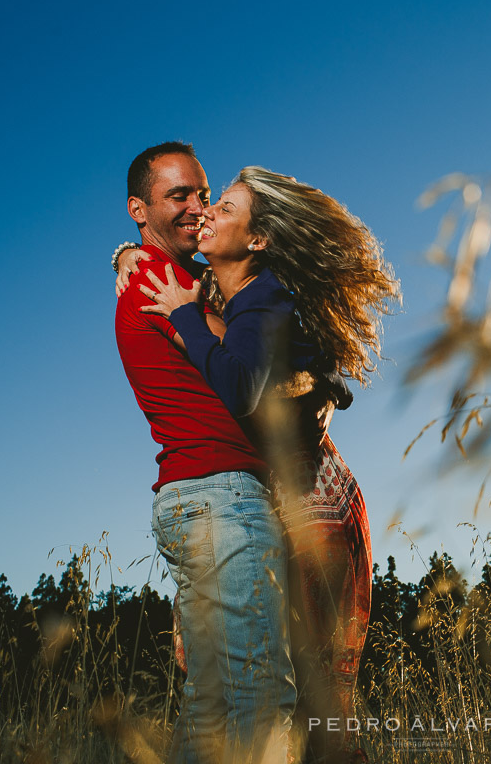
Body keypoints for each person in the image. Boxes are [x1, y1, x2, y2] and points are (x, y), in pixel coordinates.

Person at [129, 166, 398, 763]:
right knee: (242, 693)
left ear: (256, 239)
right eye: (206, 202)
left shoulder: (260, 297)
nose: (205, 213)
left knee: (312, 702)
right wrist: (128, 250)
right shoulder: (223, 288)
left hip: (312, 504)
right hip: (265, 502)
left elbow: (253, 377)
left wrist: (185, 321)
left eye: (221, 206)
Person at [114, 143, 295, 764]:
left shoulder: (177, 279)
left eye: (202, 192)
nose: (196, 208)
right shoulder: (164, 283)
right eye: (178, 197)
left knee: (211, 711)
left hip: (197, 500)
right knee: (263, 698)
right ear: (139, 209)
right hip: (221, 500)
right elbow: (248, 371)